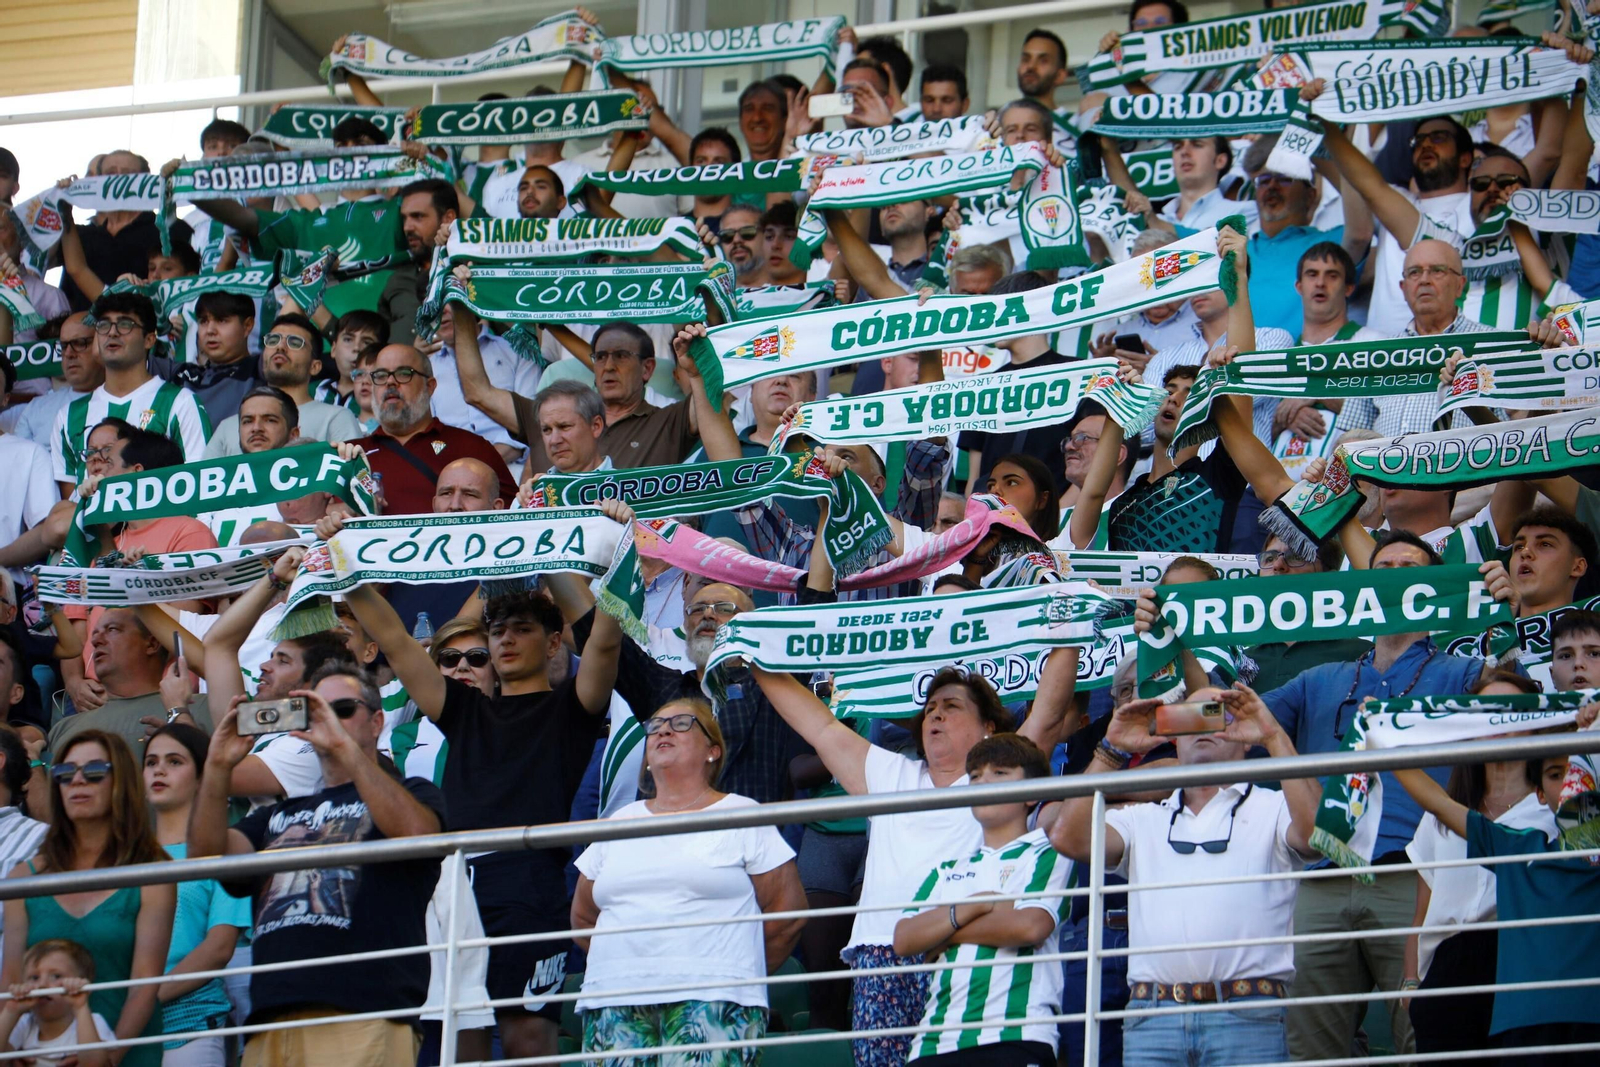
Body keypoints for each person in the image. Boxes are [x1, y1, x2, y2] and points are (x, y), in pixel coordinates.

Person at [331, 504, 627, 1061]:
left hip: (530, 882)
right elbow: (395, 640)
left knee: (527, 1037)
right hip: (452, 881)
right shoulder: (462, 708)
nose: (506, 640)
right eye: (497, 631)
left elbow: (606, 642)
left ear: (553, 642)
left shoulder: (574, 706)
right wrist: (346, 565)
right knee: (455, 1036)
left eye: (522, 630)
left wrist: (610, 549)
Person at [751, 624, 1078, 1065]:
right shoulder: (892, 773)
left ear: (988, 727)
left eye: (951, 706)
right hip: (882, 953)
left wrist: (1071, 626)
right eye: (929, 709)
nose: (935, 716)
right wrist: (754, 658)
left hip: (963, 951)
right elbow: (820, 726)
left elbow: (1048, 716)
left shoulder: (1001, 781)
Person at [1257, 531, 1496, 1063]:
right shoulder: (1321, 678)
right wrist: (1176, 641)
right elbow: (1233, 715)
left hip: (1414, 876)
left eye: (1409, 567)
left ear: (1437, 587)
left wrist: (1506, 616)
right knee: (1308, 1048)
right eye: (1382, 567)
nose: (1393, 576)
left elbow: (1521, 715)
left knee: (1421, 1039)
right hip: (1322, 877)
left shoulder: (1462, 673)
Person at [187, 665, 446, 1067]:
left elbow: (417, 836)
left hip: (365, 1012)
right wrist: (217, 768)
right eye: (316, 711)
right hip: (270, 1021)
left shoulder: (411, 792)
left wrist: (347, 750)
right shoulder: (277, 814)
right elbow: (205, 857)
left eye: (342, 710)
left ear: (377, 722)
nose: (328, 720)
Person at [1050, 685, 1319, 1066]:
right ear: (1175, 739)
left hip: (1248, 1015)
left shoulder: (1274, 806)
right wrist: (1111, 749)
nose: (1202, 725)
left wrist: (1273, 736)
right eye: (1190, 717)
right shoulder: (1144, 817)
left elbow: (1316, 837)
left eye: (1217, 714)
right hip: (1152, 1018)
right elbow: (1067, 837)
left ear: (1245, 737)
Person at [571, 698, 806, 1060]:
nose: (663, 730)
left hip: (714, 999)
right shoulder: (618, 821)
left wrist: (737, 970)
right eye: (655, 726)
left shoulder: (742, 813)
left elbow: (787, 914)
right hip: (613, 998)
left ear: (713, 750)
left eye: (681, 723)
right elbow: (583, 916)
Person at [1387, 721, 1600, 1062]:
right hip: (1523, 1026)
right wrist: (1383, 740)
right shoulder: (1517, 847)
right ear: (1539, 794)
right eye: (1555, 775)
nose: (1571, 783)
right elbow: (1438, 803)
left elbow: (1586, 822)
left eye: (1580, 769)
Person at [1402, 672, 1557, 1062]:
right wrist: (1410, 985)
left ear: (1534, 725)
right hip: (1447, 980)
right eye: (1485, 711)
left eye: (1510, 711)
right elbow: (1422, 912)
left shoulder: (1558, 812)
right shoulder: (1439, 816)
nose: (1497, 720)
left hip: (1521, 968)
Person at [893, 734, 1070, 1065]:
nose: (983, 782)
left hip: (1018, 1034)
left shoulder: (1050, 853)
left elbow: (1030, 927)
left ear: (1032, 794)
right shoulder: (947, 870)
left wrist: (946, 931)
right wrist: (977, 904)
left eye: (999, 773)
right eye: (975, 776)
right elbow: (904, 938)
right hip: (932, 1042)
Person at [2, 730, 175, 1067]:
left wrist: (108, 1058)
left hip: (127, 1057)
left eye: (94, 771)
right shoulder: (24, 877)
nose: (77, 781)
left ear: (121, 782)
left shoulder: (153, 872)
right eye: (65, 773)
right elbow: (10, 982)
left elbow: (144, 985)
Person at [143, 723, 250, 1067]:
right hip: (122, 1033)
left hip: (191, 1028)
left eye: (174, 761)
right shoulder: (122, 859)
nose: (159, 770)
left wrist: (145, 999)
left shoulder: (224, 850)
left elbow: (219, 948)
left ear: (203, 778)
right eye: (151, 762)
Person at [51, 291, 210, 490]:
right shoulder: (69, 415)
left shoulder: (181, 403)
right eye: (104, 325)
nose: (112, 332)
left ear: (149, 339)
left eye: (125, 324)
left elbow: (200, 483)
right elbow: (70, 501)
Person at [349, 344, 517, 515]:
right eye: (381, 376)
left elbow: (515, 515)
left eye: (404, 373)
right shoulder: (350, 455)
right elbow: (330, 515)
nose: (390, 382)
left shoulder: (471, 447)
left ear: (429, 386)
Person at [203, 317, 362, 457]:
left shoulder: (336, 418)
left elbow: (355, 475)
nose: (280, 347)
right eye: (272, 340)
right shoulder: (228, 426)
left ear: (315, 366)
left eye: (295, 342)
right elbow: (201, 480)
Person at [149, 291, 263, 425]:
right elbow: (132, 356)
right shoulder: (182, 374)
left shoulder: (260, 370)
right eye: (203, 321)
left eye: (221, 320)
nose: (210, 330)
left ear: (247, 325)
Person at [0, 939, 117, 1066]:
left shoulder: (93, 1021)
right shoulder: (23, 1023)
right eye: (34, 977)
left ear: (81, 982)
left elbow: (94, 1064)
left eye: (56, 976)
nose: (42, 984)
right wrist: (11, 1011)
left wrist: (81, 1007)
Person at [381, 179, 457, 346]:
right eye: (404, 218)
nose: (407, 227)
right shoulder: (397, 280)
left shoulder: (470, 274)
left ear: (448, 218)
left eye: (418, 216)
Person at [986, 453, 1062, 542]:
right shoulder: (975, 548)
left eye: (1011, 483)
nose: (995, 490)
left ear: (1042, 500)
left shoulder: (1058, 548)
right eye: (991, 486)